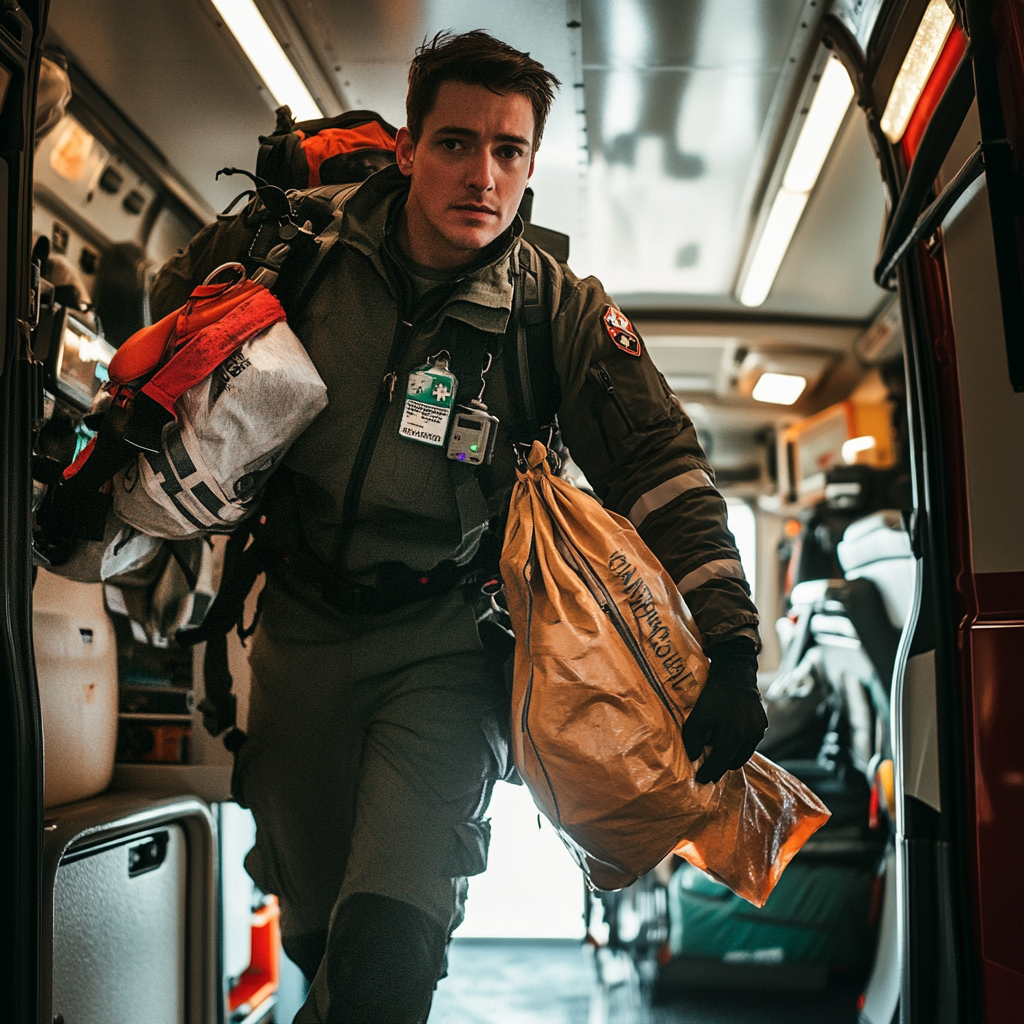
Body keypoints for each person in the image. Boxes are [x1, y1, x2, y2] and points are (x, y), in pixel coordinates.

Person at [150, 30, 767, 1024]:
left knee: (390, 948)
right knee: (315, 935)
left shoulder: (554, 312)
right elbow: (168, 314)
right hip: (299, 628)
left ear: (531, 164)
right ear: (406, 147)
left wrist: (731, 641)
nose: (482, 175)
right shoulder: (302, 254)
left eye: (509, 151)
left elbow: (659, 470)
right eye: (454, 143)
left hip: (443, 644)